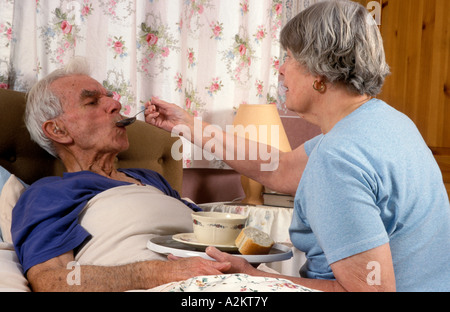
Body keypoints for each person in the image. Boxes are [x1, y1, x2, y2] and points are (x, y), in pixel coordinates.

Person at [145, 0, 450, 292]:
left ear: (319, 74)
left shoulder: (338, 157)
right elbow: (279, 168)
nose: (280, 69)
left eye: (288, 57)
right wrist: (188, 126)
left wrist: (255, 278)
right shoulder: (386, 123)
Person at [11, 58, 232, 292]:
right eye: (92, 101)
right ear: (58, 130)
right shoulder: (48, 194)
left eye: (109, 96)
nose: (115, 103)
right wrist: (160, 273)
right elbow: (52, 281)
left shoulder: (151, 179)